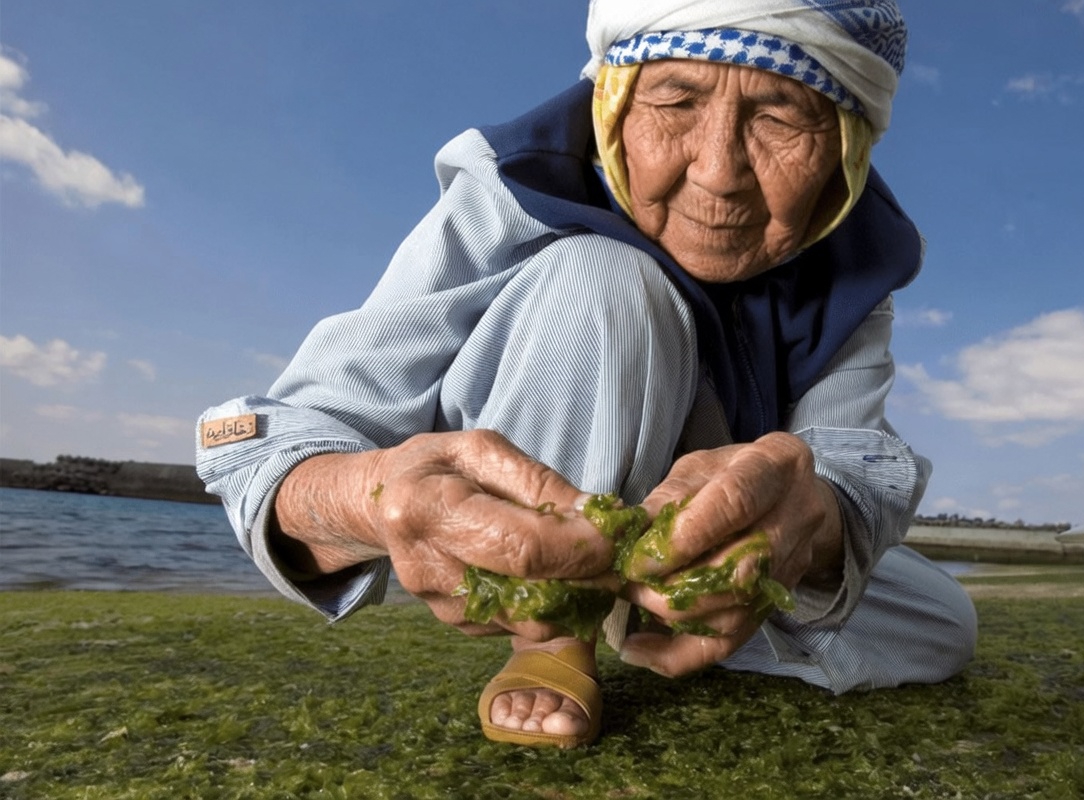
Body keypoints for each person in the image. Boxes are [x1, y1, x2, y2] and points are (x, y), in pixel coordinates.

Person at [196, 0, 978, 749]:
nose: (718, 174)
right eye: (675, 101)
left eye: (778, 118)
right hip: (534, 501)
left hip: (697, 539)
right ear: (612, 103)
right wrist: (378, 500)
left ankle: (667, 608)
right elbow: (279, 439)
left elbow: (847, 453)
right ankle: (554, 632)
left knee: (942, 623)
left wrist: (810, 521)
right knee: (606, 278)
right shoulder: (512, 185)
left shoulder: (854, 261)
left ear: (846, 145)